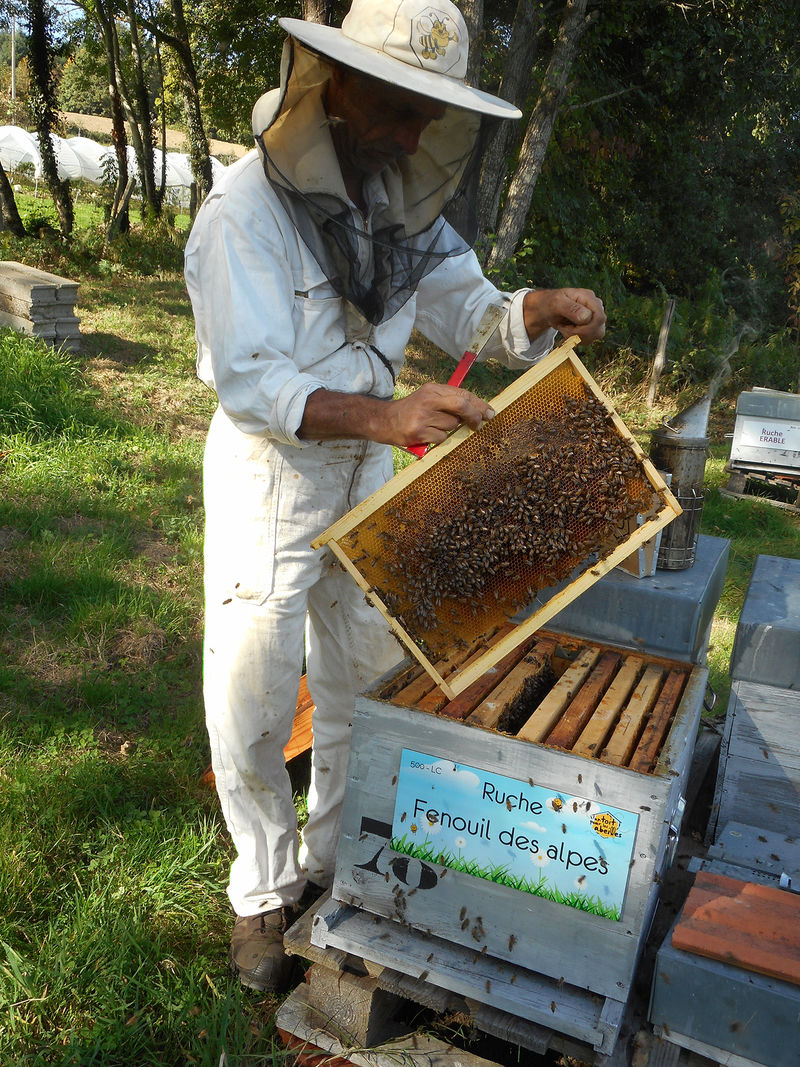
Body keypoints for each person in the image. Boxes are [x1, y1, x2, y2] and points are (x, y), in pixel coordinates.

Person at [184, 0, 606, 994]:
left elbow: (473, 306)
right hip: (272, 478)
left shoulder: (396, 198)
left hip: (366, 471)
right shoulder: (242, 213)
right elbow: (252, 382)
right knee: (253, 694)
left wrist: (535, 308)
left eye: (429, 117)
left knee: (365, 681)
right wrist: (388, 416)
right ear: (335, 86)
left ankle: (333, 864)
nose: (415, 137)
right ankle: (260, 893)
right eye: (399, 109)